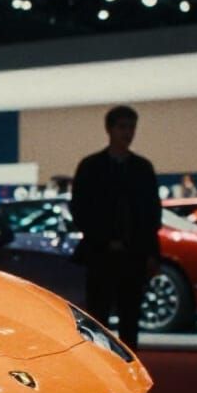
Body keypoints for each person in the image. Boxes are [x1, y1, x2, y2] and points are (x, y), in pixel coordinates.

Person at [69, 105, 161, 352]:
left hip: (132, 253)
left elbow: (152, 214)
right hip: (102, 253)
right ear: (109, 129)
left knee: (129, 316)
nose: (128, 133)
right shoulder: (91, 167)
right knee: (99, 317)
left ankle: (129, 369)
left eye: (131, 127)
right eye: (123, 127)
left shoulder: (141, 168)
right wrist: (103, 239)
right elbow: (81, 210)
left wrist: (151, 253)